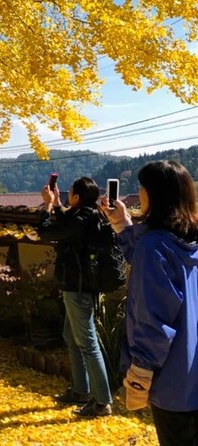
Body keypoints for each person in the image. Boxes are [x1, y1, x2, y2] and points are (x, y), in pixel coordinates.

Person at [101, 160, 198, 446]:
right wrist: (123, 226)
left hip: (173, 383)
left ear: (152, 195)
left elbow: (153, 317)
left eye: (142, 187)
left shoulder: (153, 246)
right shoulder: (188, 240)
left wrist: (141, 372)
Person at [37, 176, 113, 417]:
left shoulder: (83, 218)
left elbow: (47, 232)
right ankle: (81, 390)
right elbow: (68, 223)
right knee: (71, 337)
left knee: (88, 343)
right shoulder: (87, 215)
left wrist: (48, 206)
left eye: (70, 193)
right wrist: (58, 204)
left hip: (78, 288)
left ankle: (102, 402)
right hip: (79, 286)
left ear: (78, 197)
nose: (68, 196)